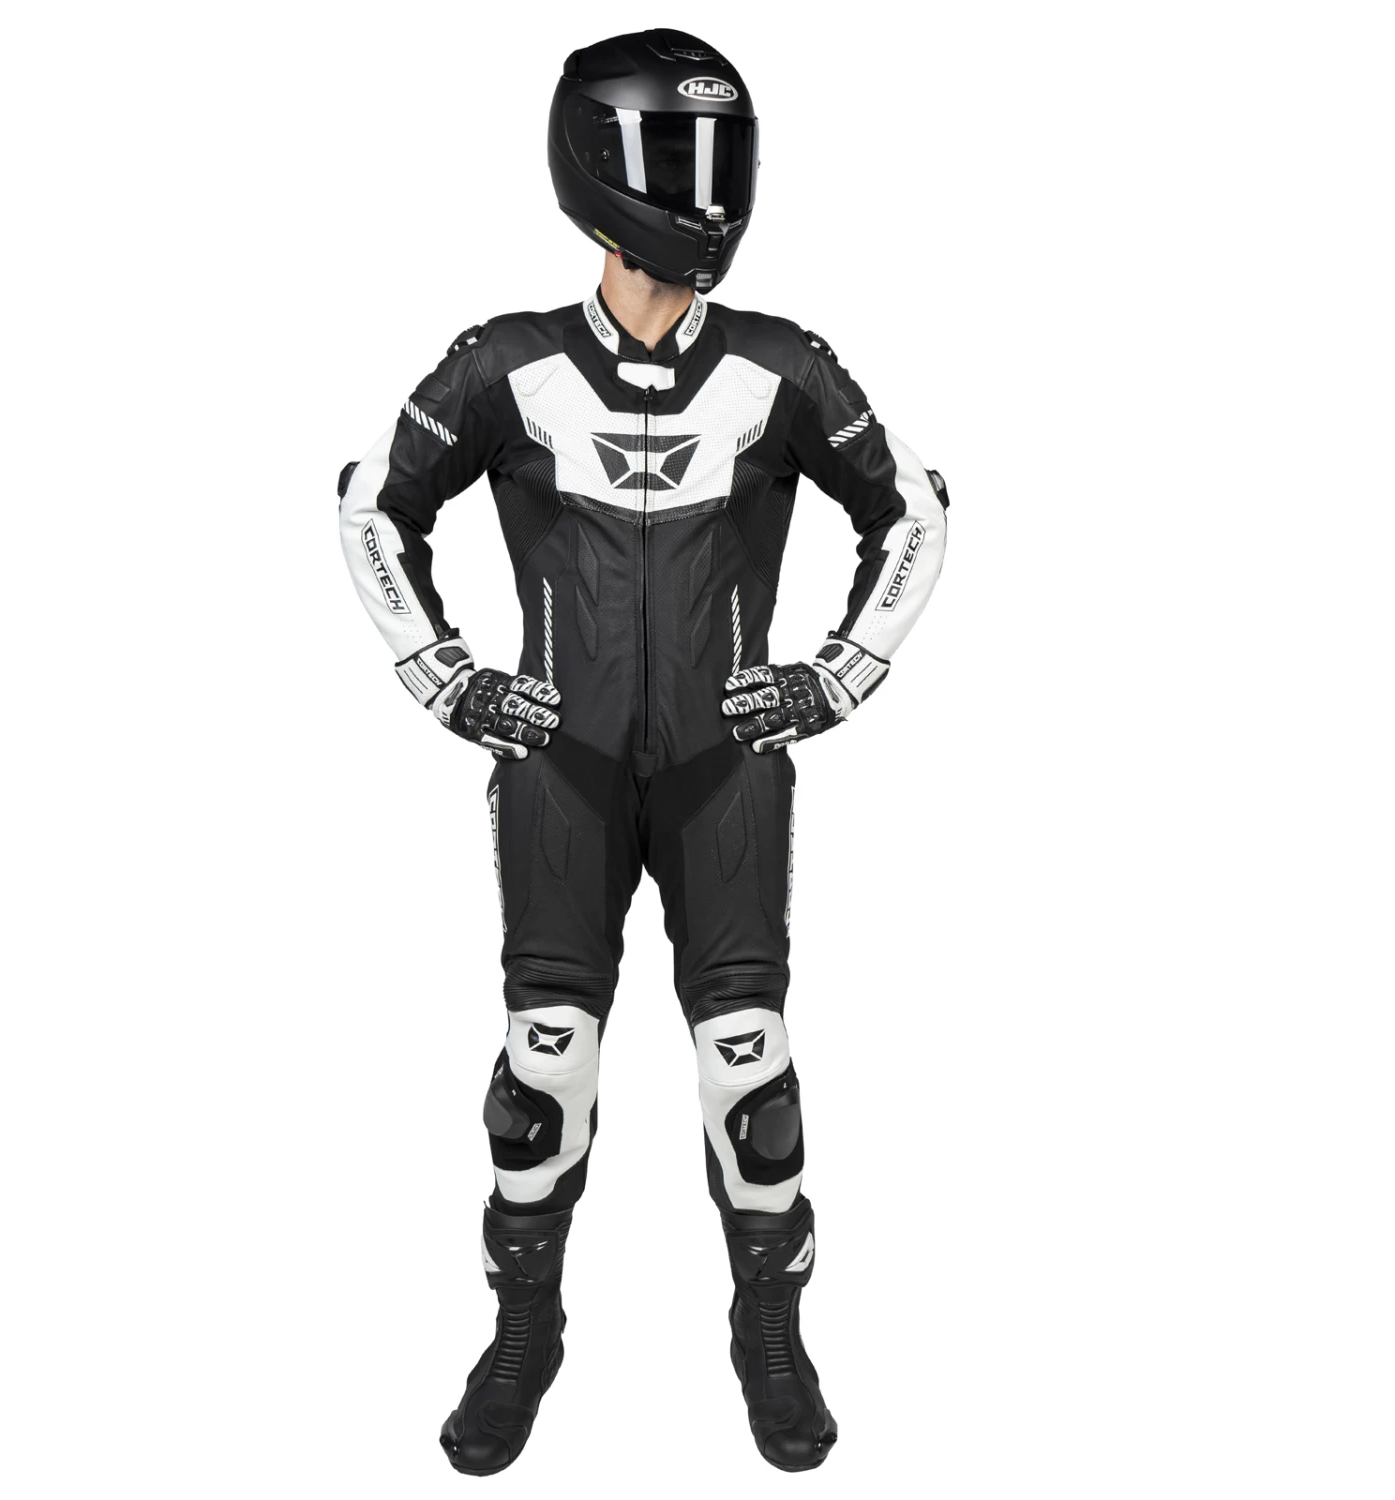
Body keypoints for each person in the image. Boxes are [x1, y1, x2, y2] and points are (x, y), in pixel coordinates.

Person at [338, 28, 948, 1475]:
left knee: (752, 1074)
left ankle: (769, 1332)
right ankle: (525, 1330)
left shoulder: (784, 367)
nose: (704, 188)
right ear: (594, 170)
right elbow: (373, 507)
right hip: (560, 767)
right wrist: (446, 679)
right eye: (674, 156)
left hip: (727, 770)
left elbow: (914, 510)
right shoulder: (506, 364)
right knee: (541, 1073)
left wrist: (838, 677)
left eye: (719, 153)